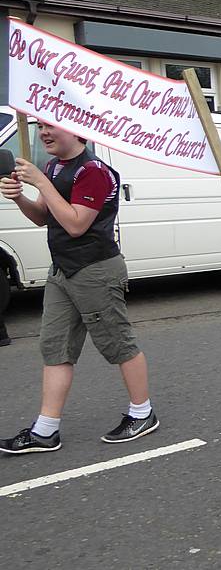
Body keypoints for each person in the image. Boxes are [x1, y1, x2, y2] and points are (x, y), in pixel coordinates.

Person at [0, 122, 158, 454]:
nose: (43, 133)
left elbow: (74, 224)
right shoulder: (53, 165)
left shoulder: (94, 172)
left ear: (77, 132)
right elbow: (43, 217)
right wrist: (20, 198)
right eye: (40, 126)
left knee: (118, 344)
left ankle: (142, 413)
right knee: (55, 347)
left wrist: (41, 182)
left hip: (96, 270)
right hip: (62, 270)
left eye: (51, 127)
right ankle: (45, 430)